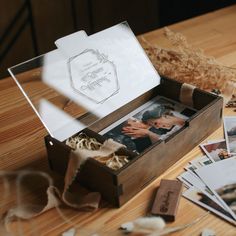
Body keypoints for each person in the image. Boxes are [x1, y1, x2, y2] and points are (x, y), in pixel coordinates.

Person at [122, 105, 186, 143]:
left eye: (155, 123)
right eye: (154, 126)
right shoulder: (176, 128)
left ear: (165, 116)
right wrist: (148, 133)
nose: (157, 127)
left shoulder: (184, 114)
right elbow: (163, 141)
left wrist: (148, 132)